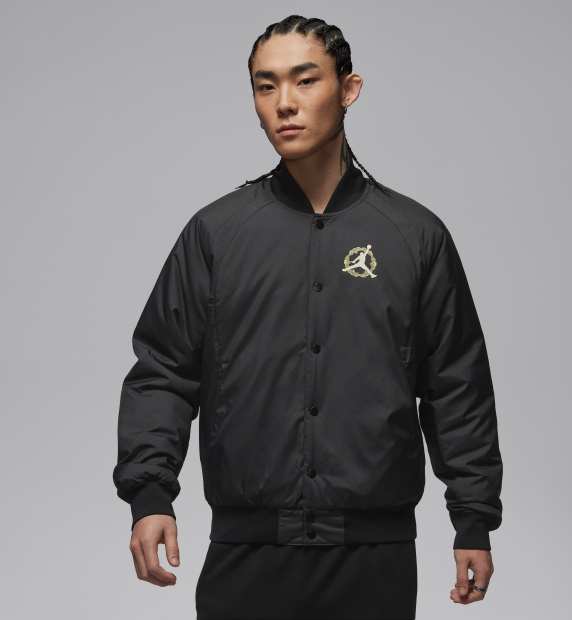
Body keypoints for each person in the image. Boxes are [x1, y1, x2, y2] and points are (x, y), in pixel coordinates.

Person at [113, 14, 503, 620]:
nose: (285, 103)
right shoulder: (216, 234)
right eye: (265, 86)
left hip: (374, 558)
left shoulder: (414, 236)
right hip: (245, 554)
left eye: (305, 80)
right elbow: (163, 371)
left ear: (348, 89)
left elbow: (456, 383)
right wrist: (150, 494)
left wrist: (472, 518)